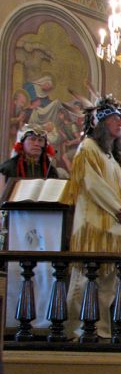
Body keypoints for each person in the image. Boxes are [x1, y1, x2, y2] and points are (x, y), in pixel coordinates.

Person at [65, 98, 121, 339]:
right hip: (92, 226)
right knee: (83, 279)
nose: (120, 123)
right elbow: (93, 186)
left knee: (107, 284)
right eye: (115, 119)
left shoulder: (111, 158)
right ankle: (73, 330)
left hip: (113, 229)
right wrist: (119, 209)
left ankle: (101, 331)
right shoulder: (87, 149)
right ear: (101, 123)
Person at [0, 124, 59, 330]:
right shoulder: (9, 167)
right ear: (22, 143)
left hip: (46, 227)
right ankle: (11, 320)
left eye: (40, 140)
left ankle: (44, 320)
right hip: (16, 226)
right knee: (16, 270)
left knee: (45, 271)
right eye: (32, 139)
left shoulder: (52, 171)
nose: (36, 144)